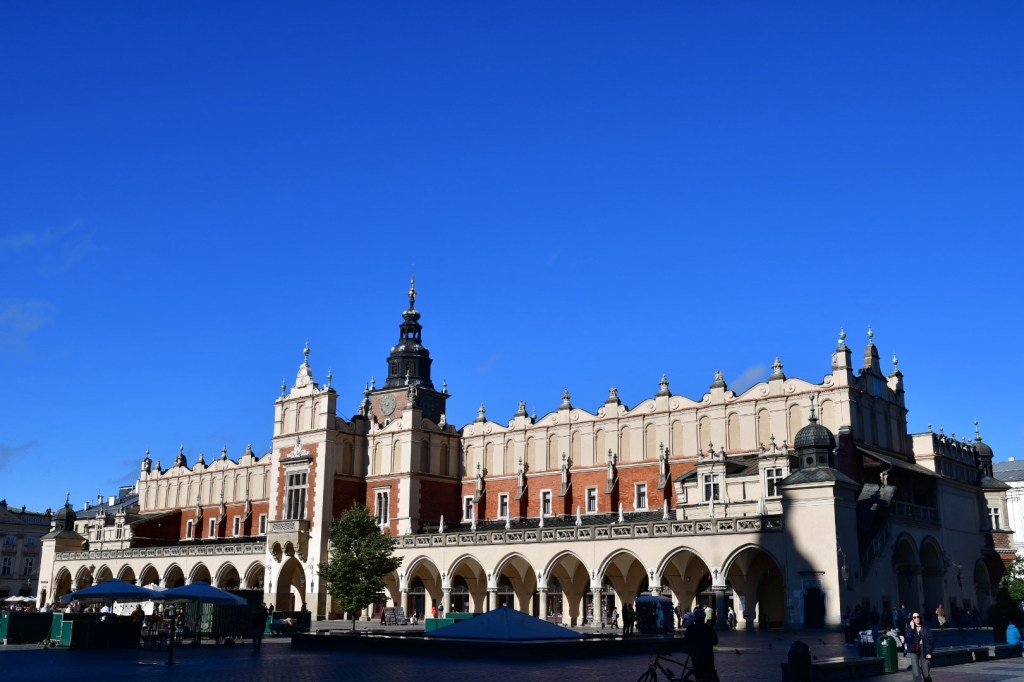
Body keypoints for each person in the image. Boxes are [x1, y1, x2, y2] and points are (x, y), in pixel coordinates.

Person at [684, 608, 719, 682]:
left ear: (695, 619)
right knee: (711, 676)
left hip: (696, 656)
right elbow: (715, 641)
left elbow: (686, 641)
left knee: (699, 676)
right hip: (708, 656)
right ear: (703, 618)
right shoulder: (709, 628)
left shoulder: (691, 628)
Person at [904, 611, 934, 682]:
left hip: (923, 649)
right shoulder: (909, 628)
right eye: (914, 617)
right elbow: (909, 639)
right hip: (914, 650)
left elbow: (930, 641)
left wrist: (928, 652)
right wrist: (912, 628)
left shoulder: (925, 628)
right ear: (912, 619)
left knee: (926, 672)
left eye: (918, 617)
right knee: (916, 673)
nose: (917, 618)